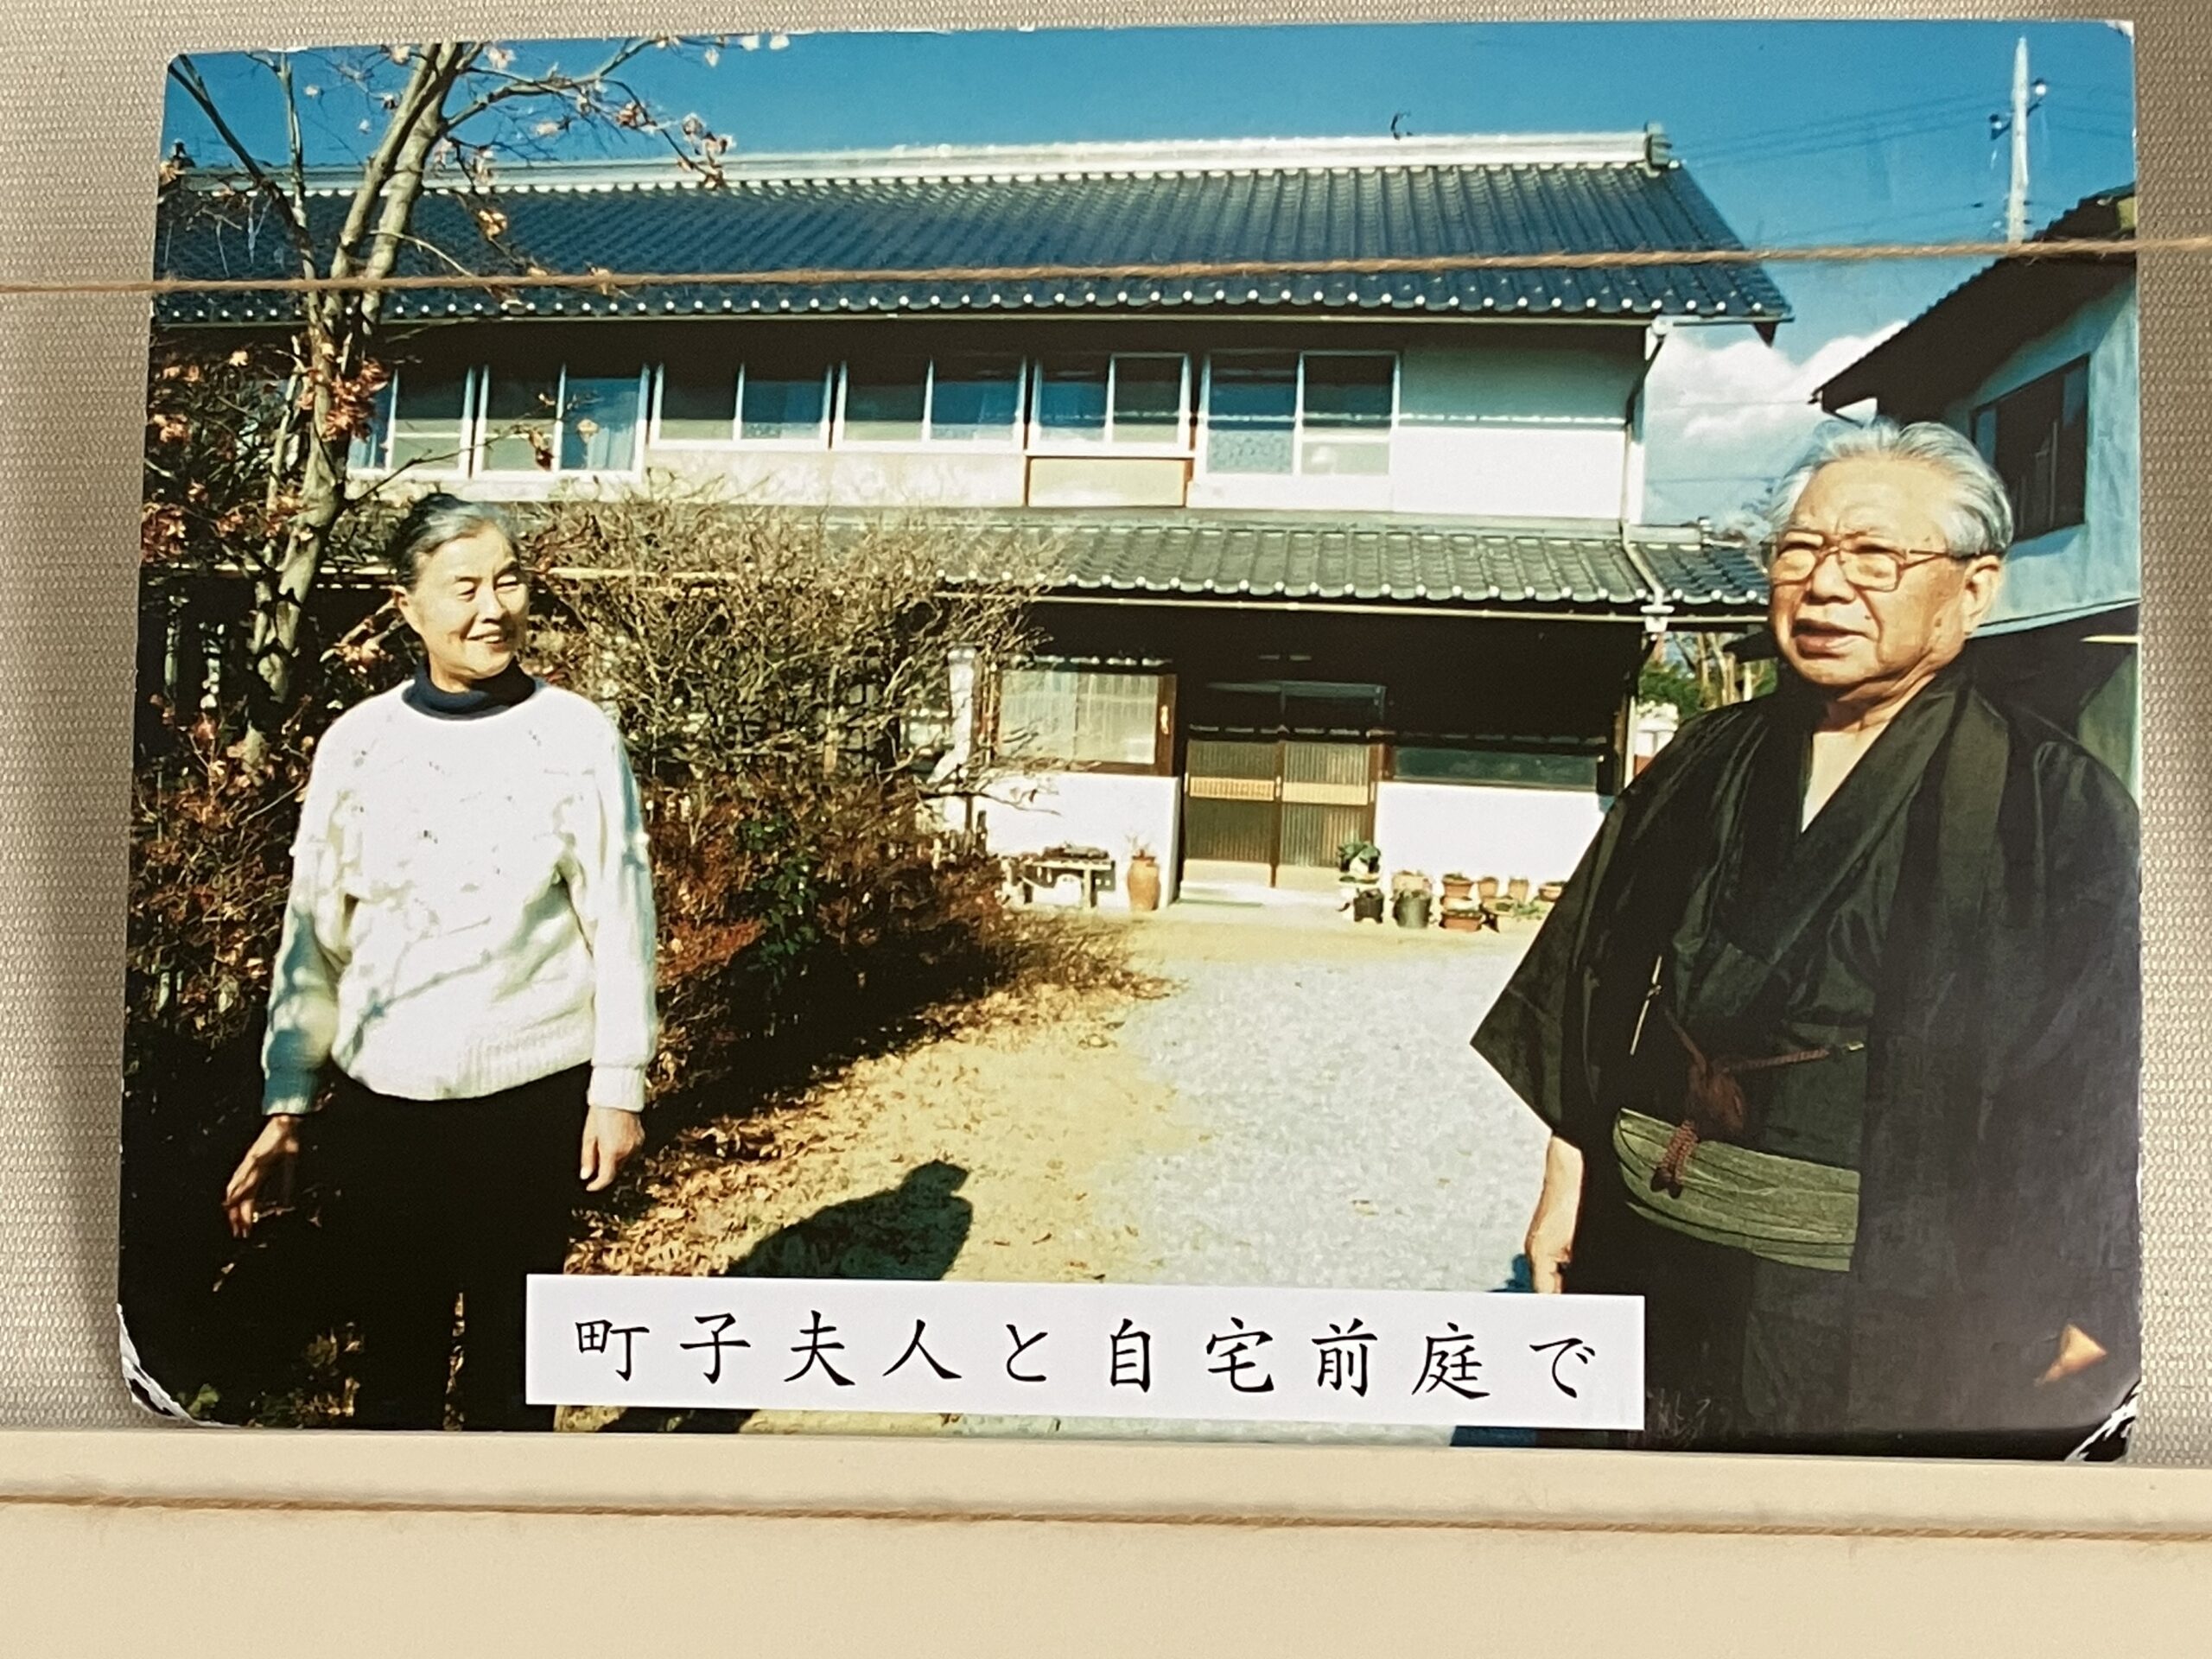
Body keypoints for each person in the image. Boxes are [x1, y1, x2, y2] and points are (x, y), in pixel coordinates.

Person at [1472, 419, 2139, 1456]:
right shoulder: (1702, 761)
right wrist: (1564, 1184)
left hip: (1889, 1299)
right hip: (1644, 1253)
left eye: (1873, 556)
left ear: (1972, 590)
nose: (1825, 585)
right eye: (1800, 551)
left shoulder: (2050, 802)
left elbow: (2107, 1071)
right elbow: (1591, 989)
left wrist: (2100, 1294)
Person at [221, 493, 660, 1430]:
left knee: (514, 1362)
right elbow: (315, 932)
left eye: (509, 581)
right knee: (394, 1362)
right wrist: (287, 1101)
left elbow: (623, 922)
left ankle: (509, 1516)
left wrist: (618, 1086)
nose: (493, 608)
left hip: (530, 1095)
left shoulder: (575, 736)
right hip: (385, 1106)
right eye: (464, 588)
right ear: (407, 606)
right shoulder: (359, 744)